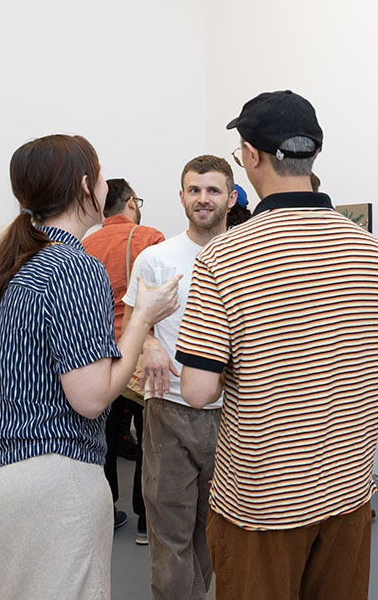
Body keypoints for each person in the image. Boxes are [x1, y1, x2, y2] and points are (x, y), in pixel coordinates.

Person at [176, 90, 378, 600]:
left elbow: (196, 391)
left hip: (262, 503)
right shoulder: (369, 248)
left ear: (252, 155)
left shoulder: (223, 256)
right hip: (349, 488)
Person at [0, 134, 179, 598]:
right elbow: (92, 397)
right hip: (46, 483)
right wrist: (144, 320)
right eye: (99, 174)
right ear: (85, 186)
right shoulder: (74, 266)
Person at [121, 155, 236, 599]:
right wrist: (148, 342)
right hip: (169, 408)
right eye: (194, 190)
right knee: (168, 529)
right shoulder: (155, 258)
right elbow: (131, 323)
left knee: (215, 529)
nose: (203, 199)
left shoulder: (248, 258)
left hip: (235, 414)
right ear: (182, 196)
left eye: (212, 190)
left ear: (230, 197)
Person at [82, 178, 166, 541]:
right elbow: (166, 296)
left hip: (98, 355)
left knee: (104, 440)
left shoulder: (83, 245)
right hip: (141, 353)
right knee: (151, 441)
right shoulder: (149, 237)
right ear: (131, 202)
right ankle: (147, 520)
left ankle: (106, 511)